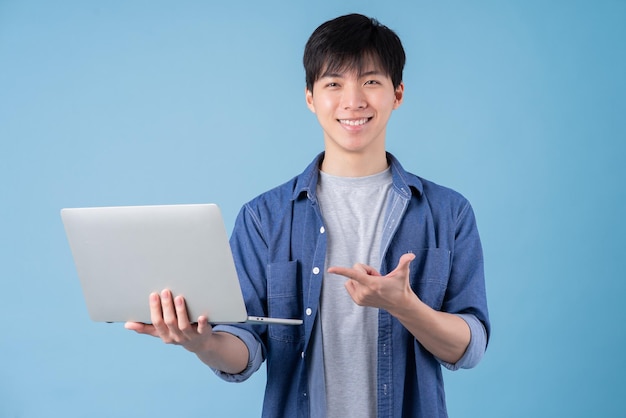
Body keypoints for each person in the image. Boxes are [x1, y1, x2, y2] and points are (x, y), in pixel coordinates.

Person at [126, 13, 490, 418]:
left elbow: (469, 347)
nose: (353, 101)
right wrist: (201, 344)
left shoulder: (447, 212)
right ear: (310, 98)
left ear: (397, 94)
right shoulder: (264, 218)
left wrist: (406, 306)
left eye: (371, 81)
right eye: (334, 84)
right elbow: (244, 347)